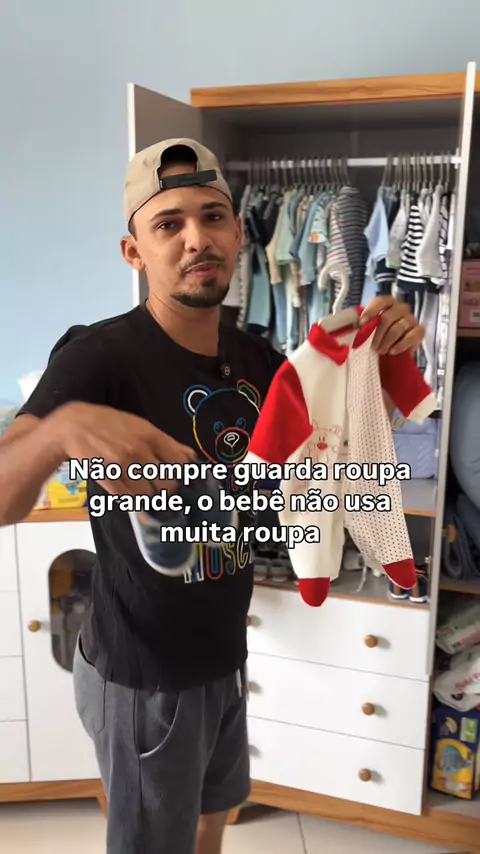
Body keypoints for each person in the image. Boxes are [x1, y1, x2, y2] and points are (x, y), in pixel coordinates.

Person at [0, 138, 425, 854]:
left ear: (238, 235)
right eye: (168, 224)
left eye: (213, 216)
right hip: (144, 676)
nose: (196, 238)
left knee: (212, 818)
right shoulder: (99, 355)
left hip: (224, 653)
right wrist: (57, 433)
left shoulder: (257, 356)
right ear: (134, 252)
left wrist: (379, 360)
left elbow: (330, 452)